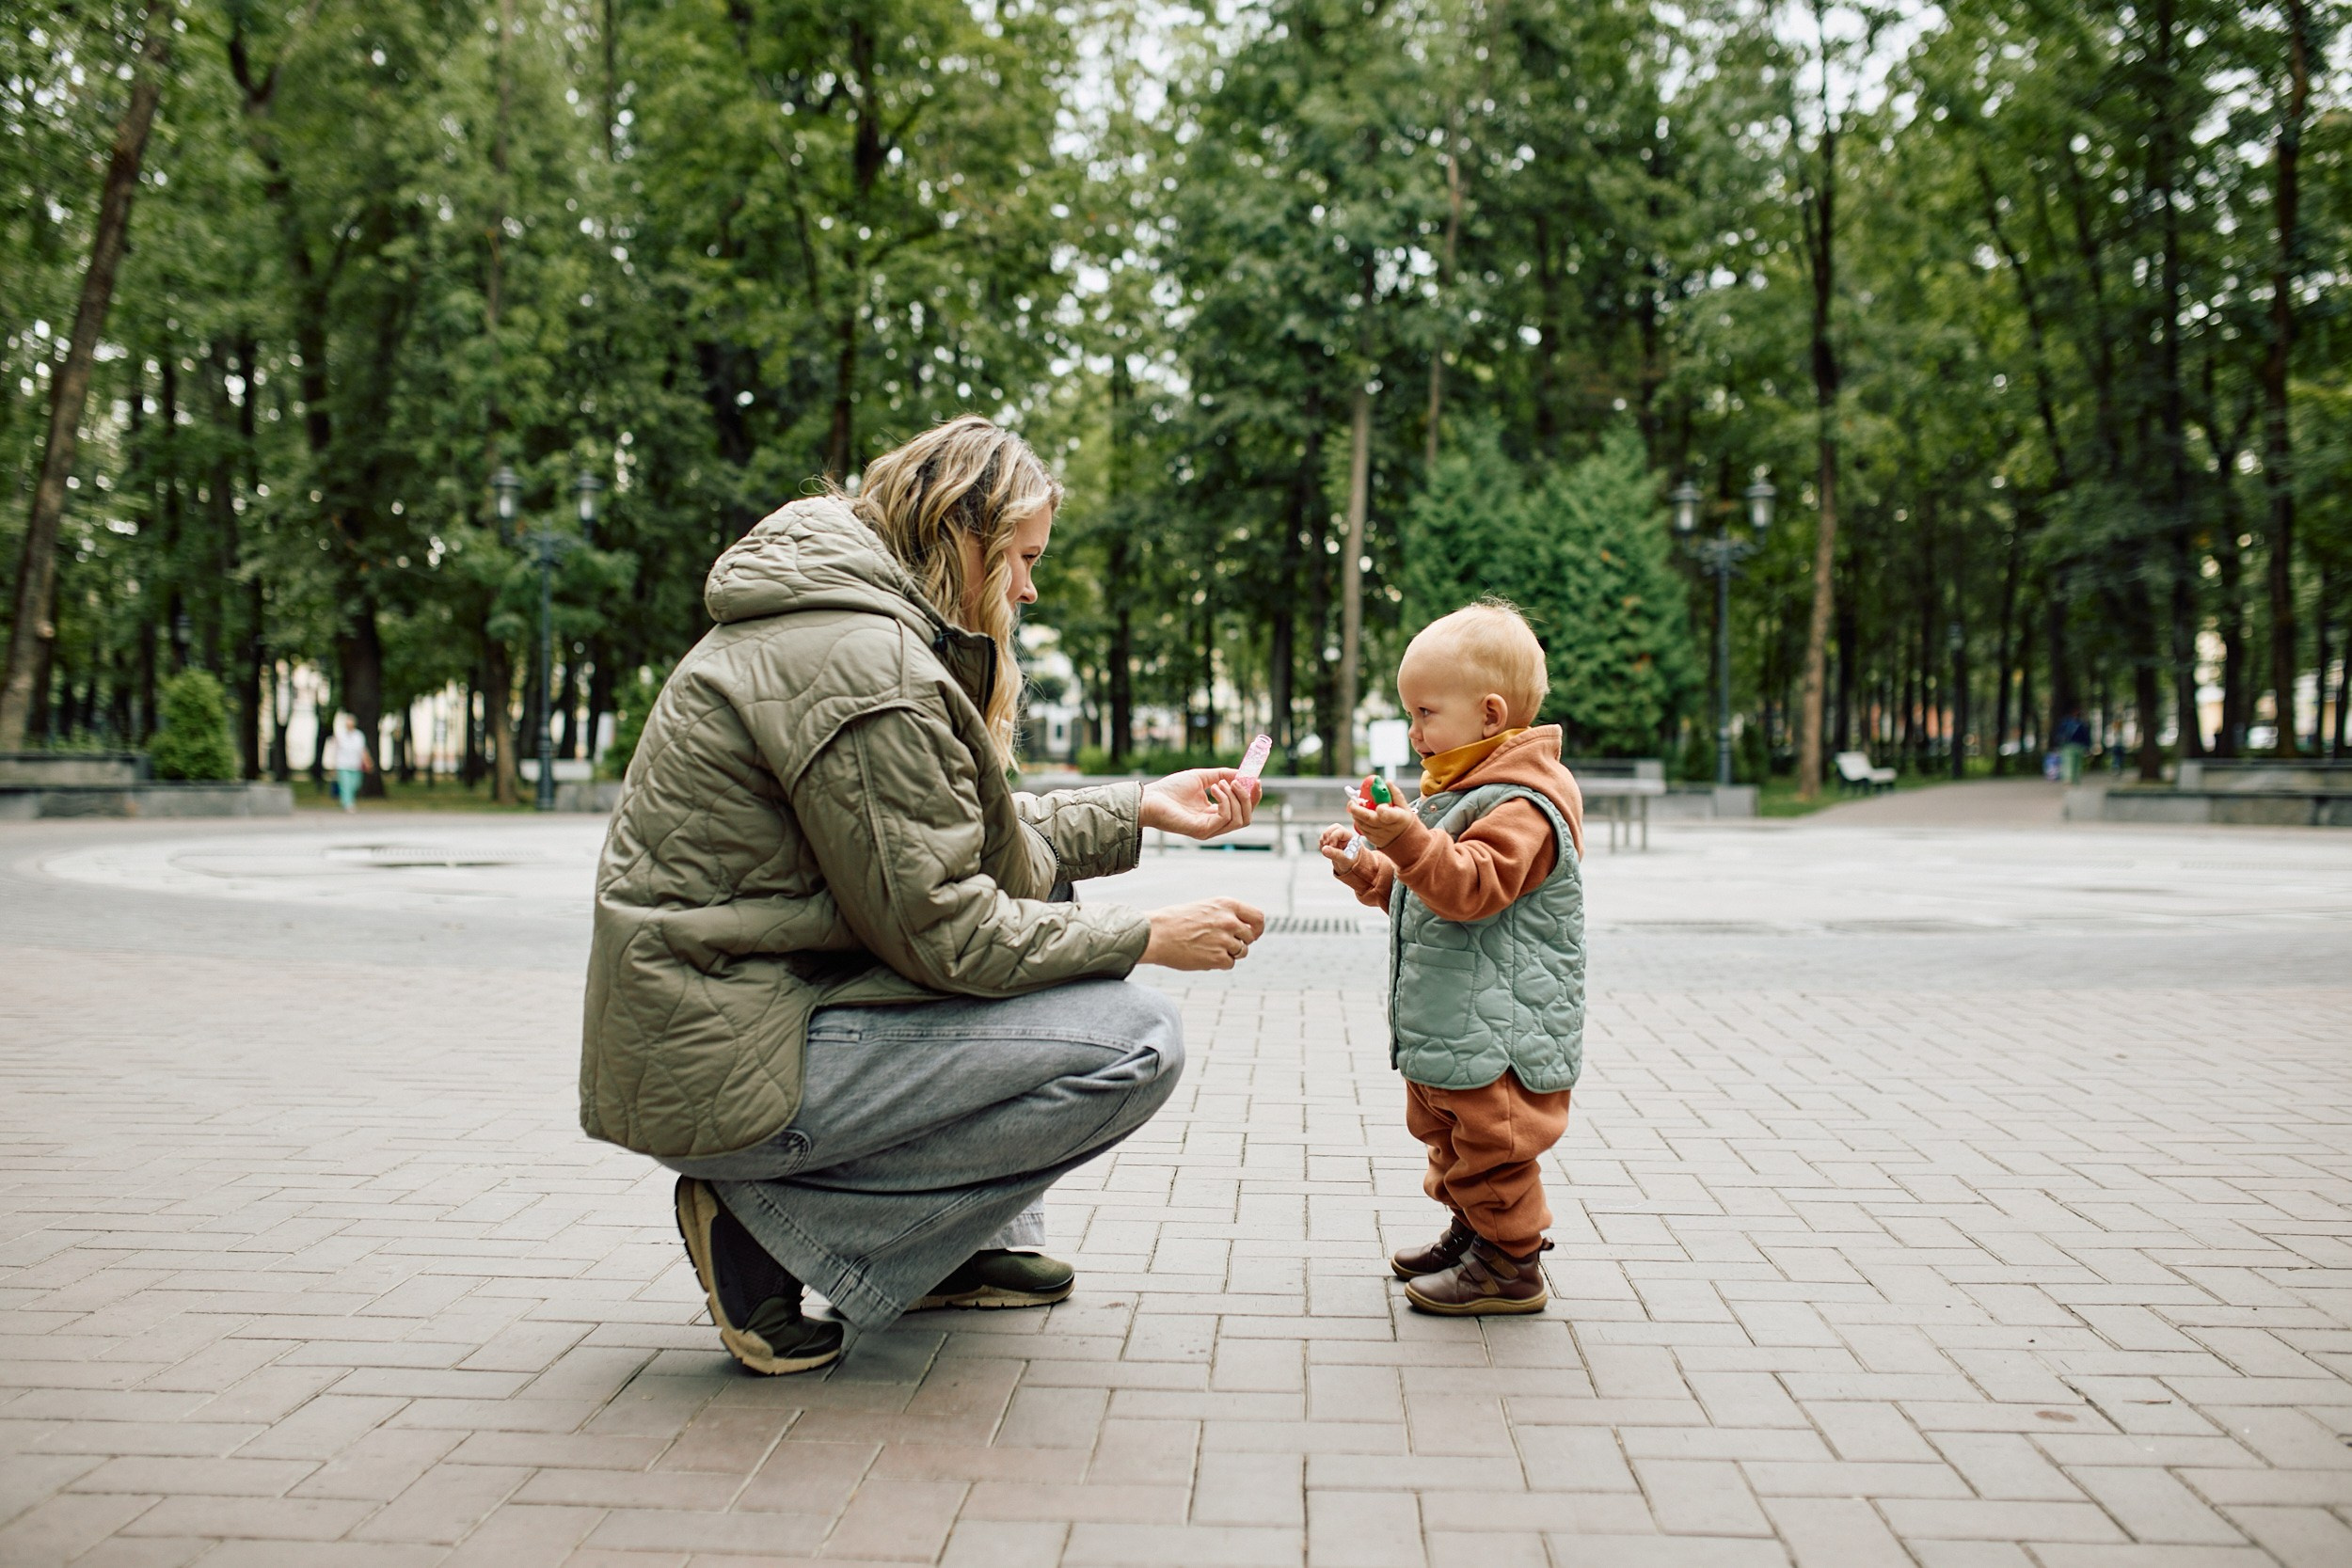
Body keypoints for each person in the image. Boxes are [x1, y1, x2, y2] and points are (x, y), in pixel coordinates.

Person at [580, 416, 1266, 1376]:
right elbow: (951, 931)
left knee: (1050, 900)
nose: (1028, 587)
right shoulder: (866, 668)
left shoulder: (852, 628)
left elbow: (963, 844)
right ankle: (764, 1226)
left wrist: (1143, 804)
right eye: (1023, 558)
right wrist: (1147, 935)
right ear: (962, 535)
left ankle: (951, 1249)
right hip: (730, 1056)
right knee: (1137, 1040)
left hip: (747, 1012)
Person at [1320, 600, 1585, 1316]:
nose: (1414, 732)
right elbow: (1427, 893)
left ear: (1490, 714)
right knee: (1448, 1136)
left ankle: (1511, 1263)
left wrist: (1406, 840)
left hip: (1500, 1028)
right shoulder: (1463, 795)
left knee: (1493, 1145)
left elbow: (1470, 887)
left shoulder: (1524, 806)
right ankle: (1474, 1234)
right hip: (1456, 1019)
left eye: (1426, 713)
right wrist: (1369, 867)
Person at [324, 714, 371, 811]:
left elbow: (363, 749)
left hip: (355, 764)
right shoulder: (340, 734)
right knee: (345, 785)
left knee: (355, 784)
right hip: (342, 764)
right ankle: (348, 803)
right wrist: (332, 763)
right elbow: (334, 749)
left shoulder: (359, 735)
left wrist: (367, 761)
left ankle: (349, 801)